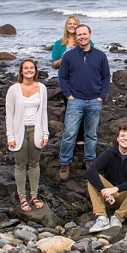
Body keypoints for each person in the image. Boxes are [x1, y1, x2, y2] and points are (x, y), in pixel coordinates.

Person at [58, 24, 111, 181]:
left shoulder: (100, 56)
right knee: (69, 133)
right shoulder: (69, 56)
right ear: (76, 37)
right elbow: (62, 77)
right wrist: (68, 95)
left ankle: (90, 160)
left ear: (90, 35)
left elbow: (106, 77)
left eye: (84, 34)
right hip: (76, 100)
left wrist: (102, 96)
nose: (82, 37)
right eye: (79, 34)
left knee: (92, 134)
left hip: (94, 100)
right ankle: (64, 163)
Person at [5, 59, 49, 212]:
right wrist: (10, 136)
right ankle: (22, 197)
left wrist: (45, 133)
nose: (29, 70)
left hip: (35, 130)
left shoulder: (42, 88)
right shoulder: (14, 89)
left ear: (35, 71)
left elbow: (43, 111)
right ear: (21, 71)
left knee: (34, 164)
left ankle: (34, 195)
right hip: (19, 131)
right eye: (26, 68)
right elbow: (9, 115)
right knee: (20, 165)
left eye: (32, 68)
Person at [86, 125, 127, 233]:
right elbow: (92, 169)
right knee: (93, 178)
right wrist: (103, 190)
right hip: (109, 196)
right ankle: (101, 218)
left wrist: (116, 188)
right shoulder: (110, 153)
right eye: (123, 135)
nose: (125, 138)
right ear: (118, 138)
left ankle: (117, 217)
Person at [51, 15, 90, 152]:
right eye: (70, 24)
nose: (72, 26)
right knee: (70, 109)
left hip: (82, 80)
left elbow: (92, 55)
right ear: (66, 26)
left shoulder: (83, 40)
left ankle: (81, 138)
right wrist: (65, 58)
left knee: (84, 109)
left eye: (75, 24)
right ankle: (70, 138)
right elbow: (54, 64)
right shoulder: (59, 44)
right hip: (66, 81)